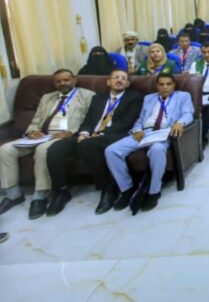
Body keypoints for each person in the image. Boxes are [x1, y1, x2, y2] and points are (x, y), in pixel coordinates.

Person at [45, 69, 143, 216]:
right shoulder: (98, 98)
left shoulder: (134, 97)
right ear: (108, 82)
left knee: (87, 145)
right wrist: (84, 133)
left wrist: (100, 134)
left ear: (128, 84)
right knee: (56, 148)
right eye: (115, 77)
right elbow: (89, 120)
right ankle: (61, 190)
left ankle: (107, 188)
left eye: (123, 78)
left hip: (116, 134)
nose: (119, 80)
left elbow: (127, 122)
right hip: (91, 135)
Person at [0, 69, 94, 219]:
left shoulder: (87, 96)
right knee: (5, 149)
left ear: (74, 80)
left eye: (66, 80)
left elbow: (91, 120)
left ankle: (40, 195)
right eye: (58, 81)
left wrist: (72, 132)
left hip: (64, 136)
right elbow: (36, 120)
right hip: (42, 136)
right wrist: (32, 132)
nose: (62, 83)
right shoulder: (47, 98)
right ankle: (13, 194)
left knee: (43, 150)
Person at [105, 73, 194, 212]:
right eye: (161, 84)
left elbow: (188, 113)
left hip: (164, 133)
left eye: (168, 84)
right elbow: (141, 119)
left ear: (174, 85)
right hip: (145, 133)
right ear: (157, 86)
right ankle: (127, 189)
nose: (165, 87)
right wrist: (136, 130)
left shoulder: (183, 96)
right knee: (111, 150)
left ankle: (154, 191)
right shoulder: (149, 98)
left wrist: (180, 122)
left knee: (157, 149)